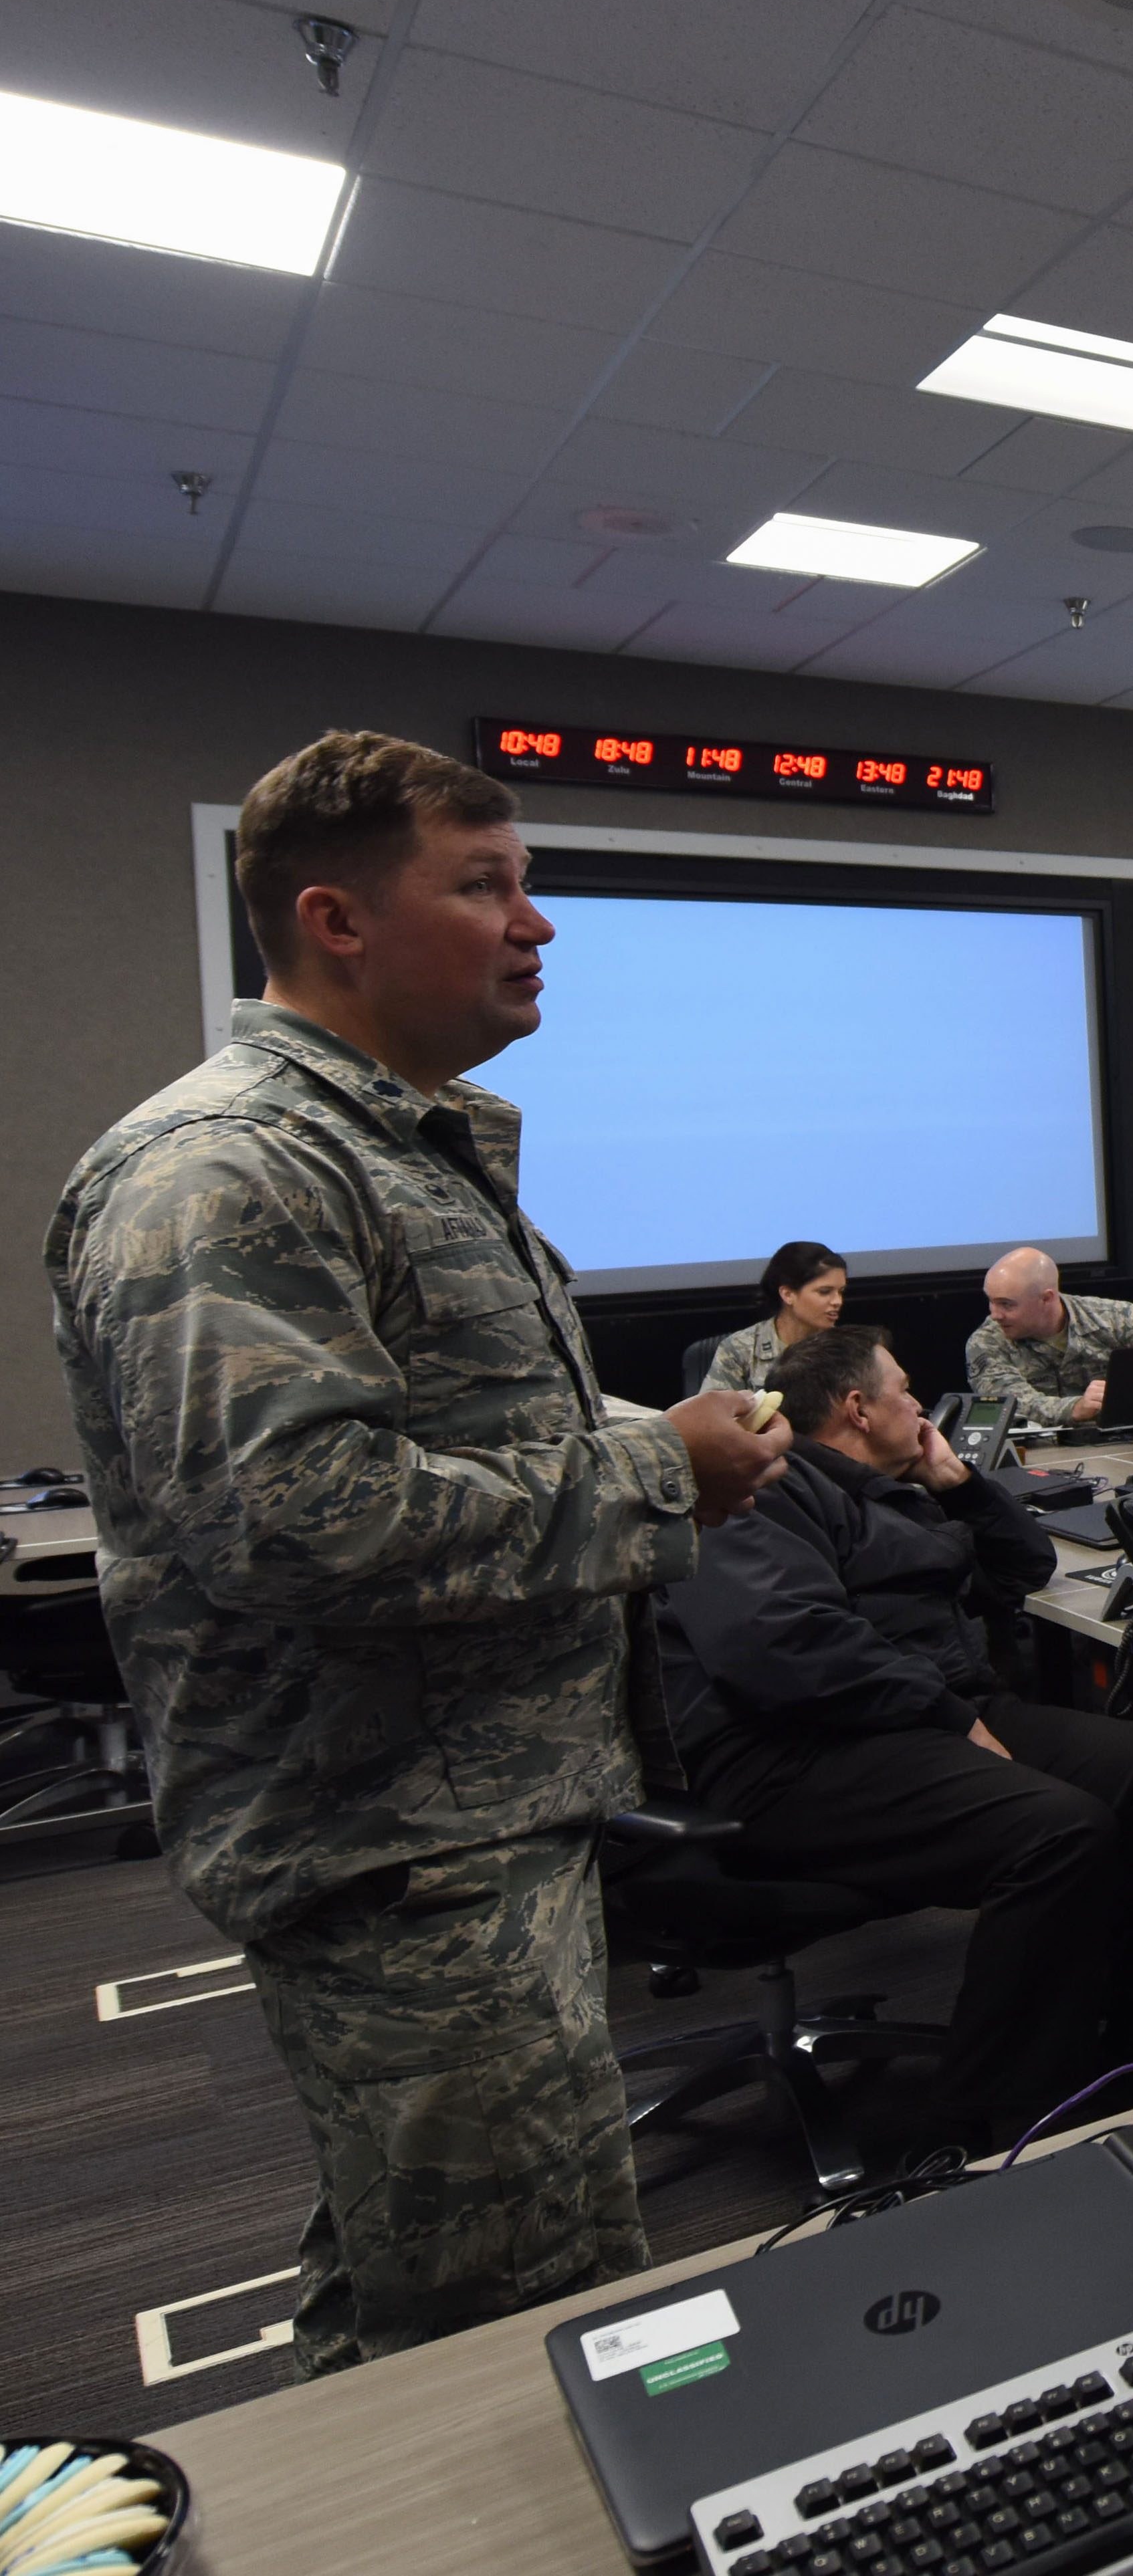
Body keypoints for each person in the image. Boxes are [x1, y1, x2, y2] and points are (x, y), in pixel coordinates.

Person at [43, 730, 792, 2377]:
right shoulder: (230, 1167)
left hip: (474, 1818)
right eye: (488, 885)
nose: (538, 923)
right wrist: (657, 1464)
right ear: (337, 921)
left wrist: (652, 1460)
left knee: (433, 2266)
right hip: (392, 1844)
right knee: (519, 2334)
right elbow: (297, 1521)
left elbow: (449, 1444)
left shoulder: (404, 1146)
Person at [657, 1325, 1133, 2148]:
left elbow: (1022, 1569)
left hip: (915, 1711)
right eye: (904, 1390)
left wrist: (960, 1487)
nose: (921, 1405)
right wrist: (951, 1718)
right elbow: (781, 1645)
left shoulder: (890, 1489)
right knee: (1059, 1831)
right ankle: (990, 2112)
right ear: (857, 1407)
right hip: (791, 1749)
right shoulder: (761, 1490)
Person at [965, 1245, 1133, 1428]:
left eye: (1007, 1305)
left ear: (1047, 1298)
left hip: (1121, 1444)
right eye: (991, 1301)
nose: (995, 1314)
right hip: (1043, 1454)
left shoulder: (1106, 1318)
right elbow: (1012, 1405)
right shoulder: (987, 1343)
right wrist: (1075, 1408)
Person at [701, 1240, 847, 1393]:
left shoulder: (849, 1350)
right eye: (824, 1292)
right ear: (788, 1294)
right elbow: (711, 1413)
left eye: (841, 1292)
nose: (838, 1301)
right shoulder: (740, 1350)